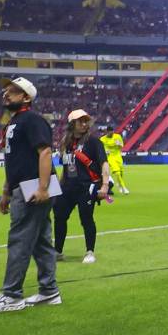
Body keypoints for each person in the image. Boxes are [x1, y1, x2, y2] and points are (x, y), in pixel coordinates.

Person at [0, 77, 61, 313]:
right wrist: (6, 192)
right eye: (5, 90)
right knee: (41, 242)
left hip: (33, 186)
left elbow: (45, 152)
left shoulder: (32, 120)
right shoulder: (14, 122)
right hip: (27, 185)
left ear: (26, 97)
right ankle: (49, 290)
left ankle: (12, 295)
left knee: (20, 240)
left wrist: (42, 188)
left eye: (12, 91)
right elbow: (14, 161)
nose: (6, 94)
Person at [53, 110, 110, 265]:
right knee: (59, 217)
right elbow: (66, 167)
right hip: (67, 187)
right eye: (80, 121)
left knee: (86, 219)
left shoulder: (93, 142)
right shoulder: (65, 142)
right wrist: (59, 186)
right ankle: (57, 251)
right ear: (72, 124)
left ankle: (90, 252)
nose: (84, 124)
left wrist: (105, 185)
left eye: (86, 121)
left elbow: (104, 163)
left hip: (86, 187)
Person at [99, 124, 129, 195]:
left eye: (113, 132)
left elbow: (121, 146)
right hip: (110, 157)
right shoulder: (102, 139)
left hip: (118, 156)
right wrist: (105, 151)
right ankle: (124, 188)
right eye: (110, 132)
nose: (112, 133)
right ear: (107, 132)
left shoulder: (117, 136)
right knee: (117, 172)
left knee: (121, 171)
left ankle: (119, 184)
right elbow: (100, 148)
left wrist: (119, 144)